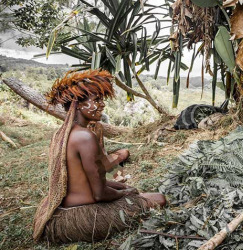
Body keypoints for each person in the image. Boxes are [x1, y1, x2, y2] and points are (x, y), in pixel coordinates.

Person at [33, 69, 166, 243]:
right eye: (96, 100)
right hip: (82, 215)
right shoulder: (85, 137)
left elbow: (90, 180)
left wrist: (119, 186)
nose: (102, 105)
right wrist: (126, 192)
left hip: (63, 211)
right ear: (78, 104)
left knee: (130, 190)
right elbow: (99, 194)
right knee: (159, 199)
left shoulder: (63, 133)